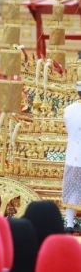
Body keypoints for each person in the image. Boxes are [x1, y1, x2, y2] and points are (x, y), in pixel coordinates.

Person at [62, 81, 81, 233]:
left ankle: (69, 224)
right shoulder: (69, 109)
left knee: (71, 189)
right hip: (75, 153)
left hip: (73, 155)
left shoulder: (69, 109)